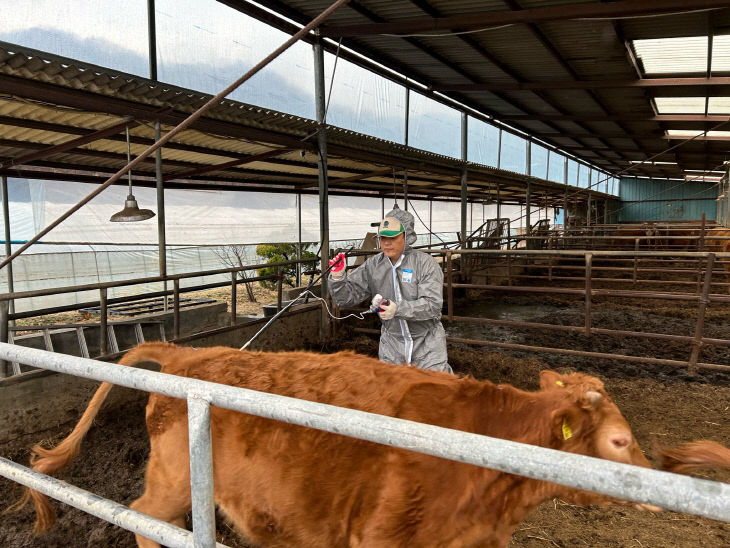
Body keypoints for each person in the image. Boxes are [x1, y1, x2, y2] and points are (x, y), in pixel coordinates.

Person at [329, 206, 452, 373]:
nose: (386, 243)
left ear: (406, 236)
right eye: (383, 237)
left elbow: (432, 306)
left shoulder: (425, 264)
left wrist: (398, 308)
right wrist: (337, 278)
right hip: (392, 347)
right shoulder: (373, 265)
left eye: (393, 237)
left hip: (427, 346)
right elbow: (345, 298)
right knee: (392, 394)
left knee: (434, 393)